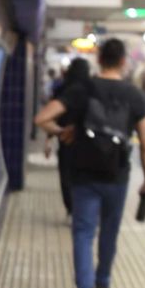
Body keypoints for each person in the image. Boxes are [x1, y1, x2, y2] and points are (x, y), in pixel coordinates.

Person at [34, 39, 145, 288]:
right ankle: (103, 285)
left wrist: (62, 131)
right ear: (124, 61)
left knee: (83, 233)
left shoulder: (82, 89)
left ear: (99, 59)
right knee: (109, 231)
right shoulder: (136, 96)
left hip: (83, 174)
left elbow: (42, 118)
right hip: (117, 176)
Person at [47, 59, 92, 216]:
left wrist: (52, 136)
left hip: (65, 140)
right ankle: (83, 208)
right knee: (83, 176)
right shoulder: (92, 89)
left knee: (66, 174)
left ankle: (71, 208)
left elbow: (49, 117)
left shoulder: (62, 89)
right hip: (87, 142)